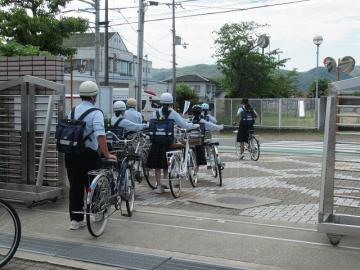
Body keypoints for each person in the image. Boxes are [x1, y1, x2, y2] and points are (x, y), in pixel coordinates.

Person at [65, 81, 116, 230]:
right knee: (93, 185)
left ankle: (75, 220)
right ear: (94, 97)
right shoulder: (96, 113)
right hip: (88, 155)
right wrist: (107, 154)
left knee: (75, 187)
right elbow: (101, 135)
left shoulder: (73, 111)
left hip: (71, 153)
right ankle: (96, 214)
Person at [147, 93, 199, 194]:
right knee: (167, 162)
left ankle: (159, 186)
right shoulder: (173, 113)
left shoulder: (156, 113)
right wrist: (194, 125)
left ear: (161, 102)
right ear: (171, 103)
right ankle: (166, 181)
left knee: (157, 165)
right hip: (168, 141)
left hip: (156, 141)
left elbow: (150, 125)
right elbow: (183, 124)